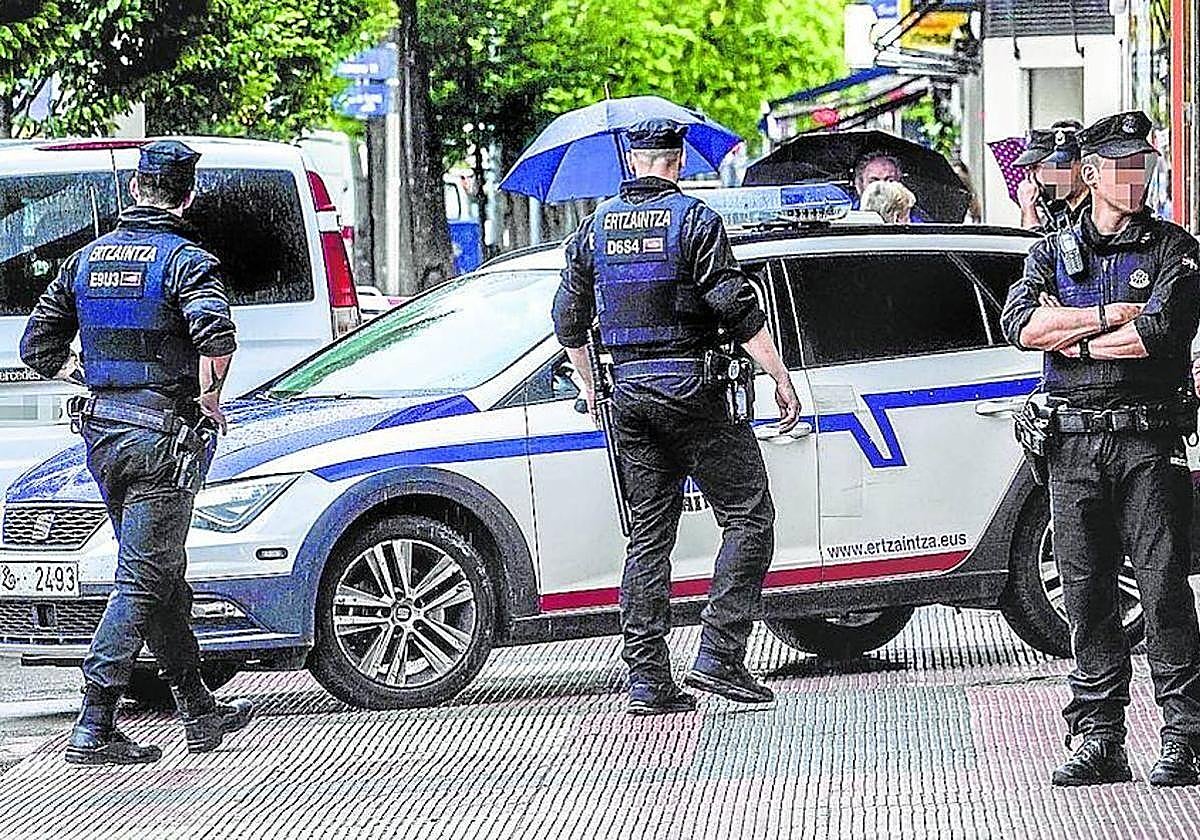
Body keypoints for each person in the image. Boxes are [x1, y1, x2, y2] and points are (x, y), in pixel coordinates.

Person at [552, 118, 802, 716]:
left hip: (627, 399)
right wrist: (779, 375)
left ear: (633, 162)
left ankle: (647, 680)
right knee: (749, 517)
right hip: (694, 393)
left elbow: (567, 321)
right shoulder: (695, 221)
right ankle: (718, 655)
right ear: (678, 161)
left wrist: (592, 387)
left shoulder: (591, 231)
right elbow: (734, 308)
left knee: (647, 538)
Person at [19, 140, 254, 766]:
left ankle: (198, 708)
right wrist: (211, 401)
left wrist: (93, 375)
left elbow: (36, 348)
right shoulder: (189, 263)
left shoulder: (83, 261)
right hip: (163, 441)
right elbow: (217, 341)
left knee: (159, 571)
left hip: (103, 436)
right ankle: (94, 722)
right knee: (144, 576)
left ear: (135, 190)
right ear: (188, 193)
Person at [1000, 111, 1200, 787]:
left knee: (1164, 588)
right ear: (1090, 175)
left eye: (1142, 163)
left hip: (1147, 442)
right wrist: (1106, 318)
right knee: (1086, 597)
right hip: (1072, 445)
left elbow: (1159, 335)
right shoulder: (1050, 251)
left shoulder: (1175, 249)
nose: (1136, 175)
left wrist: (1076, 339)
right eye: (1121, 165)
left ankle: (1184, 734)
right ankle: (1098, 736)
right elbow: (1022, 326)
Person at [1016, 120, 1090, 232]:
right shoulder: (1059, 210)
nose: (1032, 177)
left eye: (1036, 167)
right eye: (1029, 169)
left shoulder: (1093, 212)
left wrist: (1029, 209)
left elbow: (1035, 244)